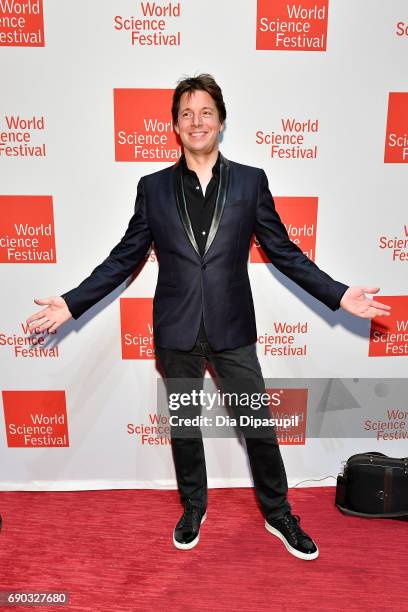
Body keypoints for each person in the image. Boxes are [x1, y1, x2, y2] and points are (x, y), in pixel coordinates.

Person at [26, 74, 390, 560]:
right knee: (185, 426)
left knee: (257, 424)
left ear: (221, 121)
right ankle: (194, 506)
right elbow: (124, 257)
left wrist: (340, 294)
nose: (196, 121)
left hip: (231, 327)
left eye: (205, 112)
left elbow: (284, 252)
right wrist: (72, 302)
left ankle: (278, 513)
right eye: (186, 114)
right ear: (174, 126)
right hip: (176, 329)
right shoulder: (152, 188)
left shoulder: (250, 181)